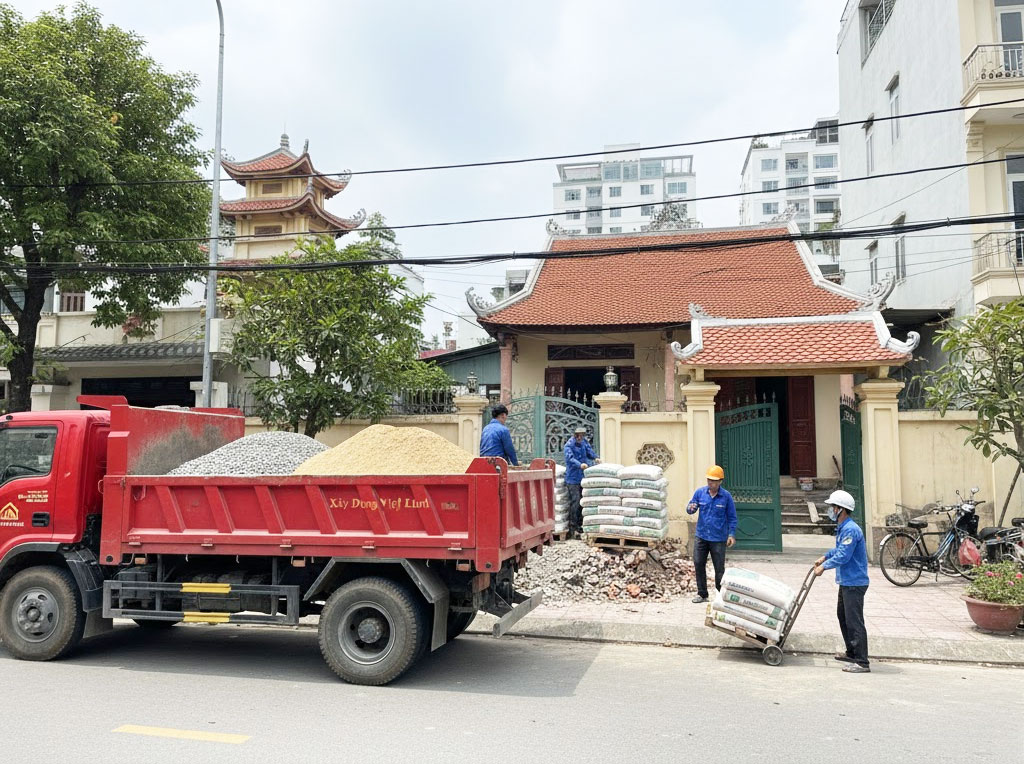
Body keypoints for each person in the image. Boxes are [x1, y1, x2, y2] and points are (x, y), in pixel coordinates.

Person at [814, 489, 870, 674]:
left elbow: (843, 556)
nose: (830, 510)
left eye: (833, 507)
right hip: (847, 581)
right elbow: (838, 550)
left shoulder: (851, 530)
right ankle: (851, 652)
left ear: (841, 509)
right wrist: (824, 557)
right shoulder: (844, 528)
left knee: (854, 621)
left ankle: (862, 661)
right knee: (843, 616)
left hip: (854, 582)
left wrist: (824, 566)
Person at [686, 465, 737, 604]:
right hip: (701, 536)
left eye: (714, 481)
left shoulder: (726, 497)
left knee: (719, 568)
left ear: (720, 481)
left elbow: (732, 517)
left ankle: (720, 595)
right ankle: (702, 594)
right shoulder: (700, 493)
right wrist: (691, 507)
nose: (710, 483)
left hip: (718, 539)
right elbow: (690, 508)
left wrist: (731, 534)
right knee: (698, 563)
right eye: (709, 480)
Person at [563, 426, 600, 538]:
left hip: (582, 478)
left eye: (582, 435)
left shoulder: (584, 443)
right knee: (575, 501)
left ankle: (580, 526)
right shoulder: (569, 445)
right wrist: (580, 465)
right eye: (578, 436)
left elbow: (589, 452)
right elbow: (570, 459)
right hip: (572, 478)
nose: (580, 437)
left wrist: (596, 458)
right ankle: (572, 528)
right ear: (575, 435)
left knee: (582, 502)